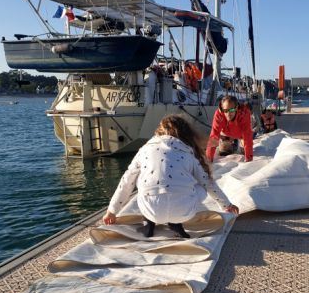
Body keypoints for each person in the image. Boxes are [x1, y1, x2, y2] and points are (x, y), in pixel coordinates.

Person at [103, 115, 239, 238]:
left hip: (151, 209)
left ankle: (148, 224)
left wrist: (112, 211)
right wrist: (226, 205)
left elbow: (126, 182)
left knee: (142, 178)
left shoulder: (144, 149)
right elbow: (208, 183)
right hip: (184, 211)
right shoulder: (188, 153)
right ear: (186, 135)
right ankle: (176, 223)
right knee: (200, 183)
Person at [206, 95, 253, 162]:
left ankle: (238, 143)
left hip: (240, 135)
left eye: (231, 109)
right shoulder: (218, 115)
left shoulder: (244, 114)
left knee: (245, 152)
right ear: (222, 108)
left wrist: (249, 157)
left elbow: (247, 136)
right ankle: (230, 143)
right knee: (224, 152)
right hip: (226, 134)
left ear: (236, 108)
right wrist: (208, 159)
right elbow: (214, 136)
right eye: (226, 110)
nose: (228, 113)